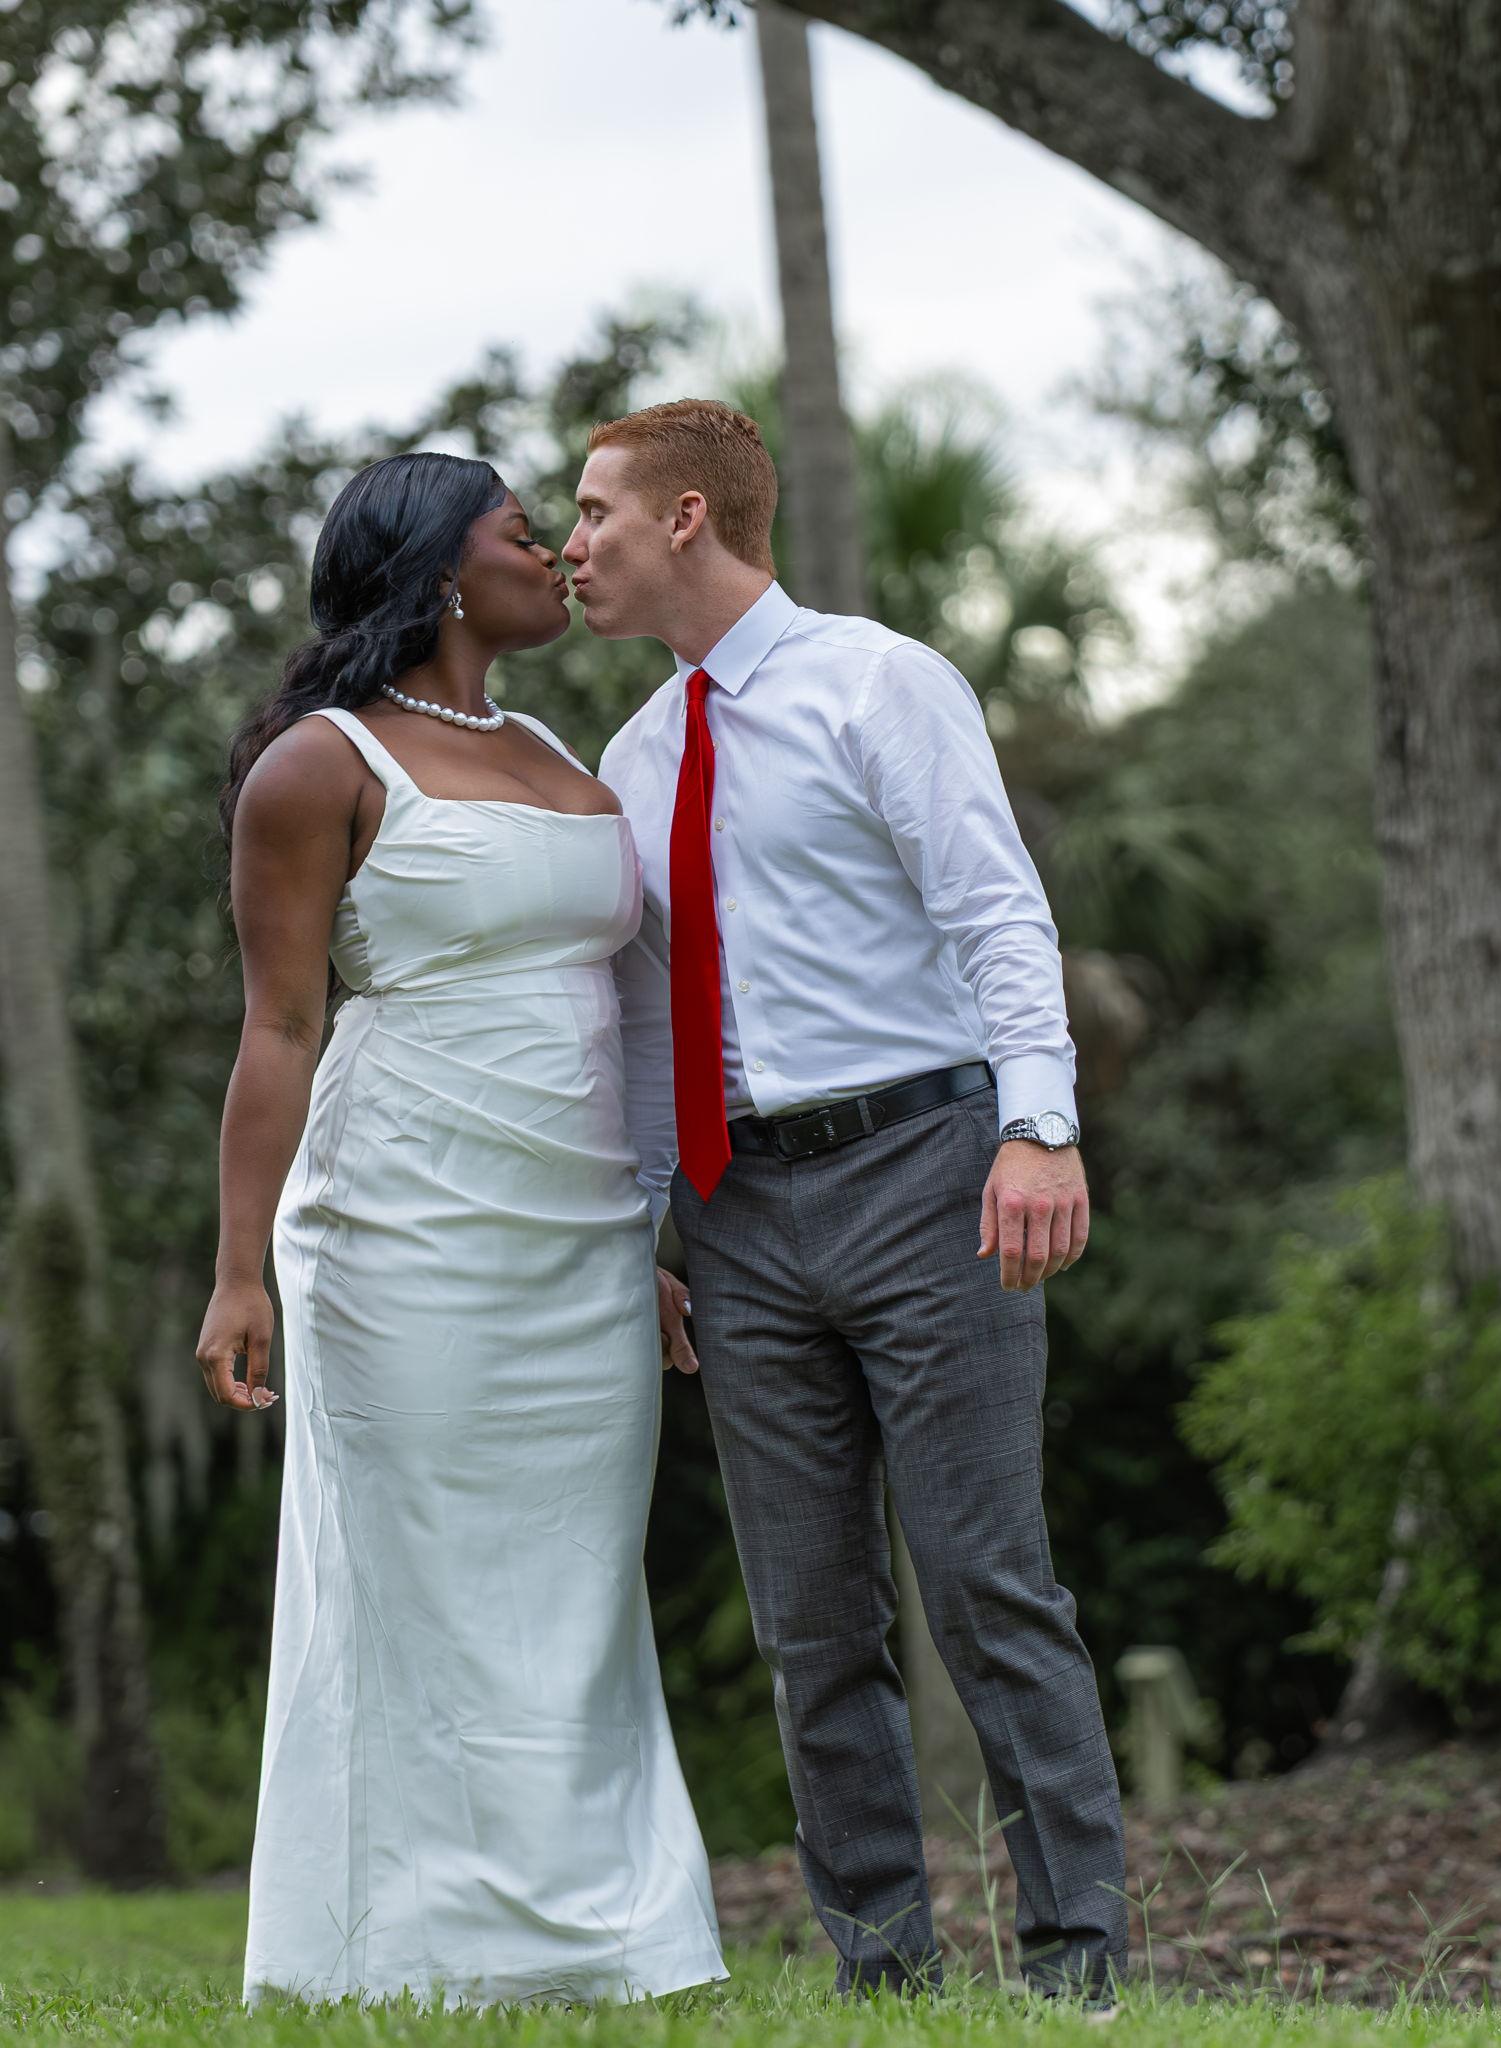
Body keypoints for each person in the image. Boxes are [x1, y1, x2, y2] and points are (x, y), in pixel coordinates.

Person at [570, 399, 1128, 2000]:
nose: (574, 544)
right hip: (739, 1217)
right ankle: (884, 1974)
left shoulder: (878, 682)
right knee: (809, 1621)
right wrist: (643, 1237)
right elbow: (653, 1031)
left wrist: (1040, 1126)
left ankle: (1078, 1968)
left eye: (598, 511)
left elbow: (994, 909)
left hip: (927, 1176)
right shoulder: (635, 757)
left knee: (986, 1585)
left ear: (688, 516)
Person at [196, 452, 725, 2009]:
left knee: (577, 1588)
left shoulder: (554, 744)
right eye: (522, 533)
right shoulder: (321, 765)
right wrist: (238, 1271)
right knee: (421, 1581)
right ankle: (402, 1951)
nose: (556, 555)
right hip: (404, 1229)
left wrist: (642, 1238)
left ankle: (604, 1944)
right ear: (440, 570)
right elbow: (280, 1027)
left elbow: (616, 1010)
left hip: (581, 1240)